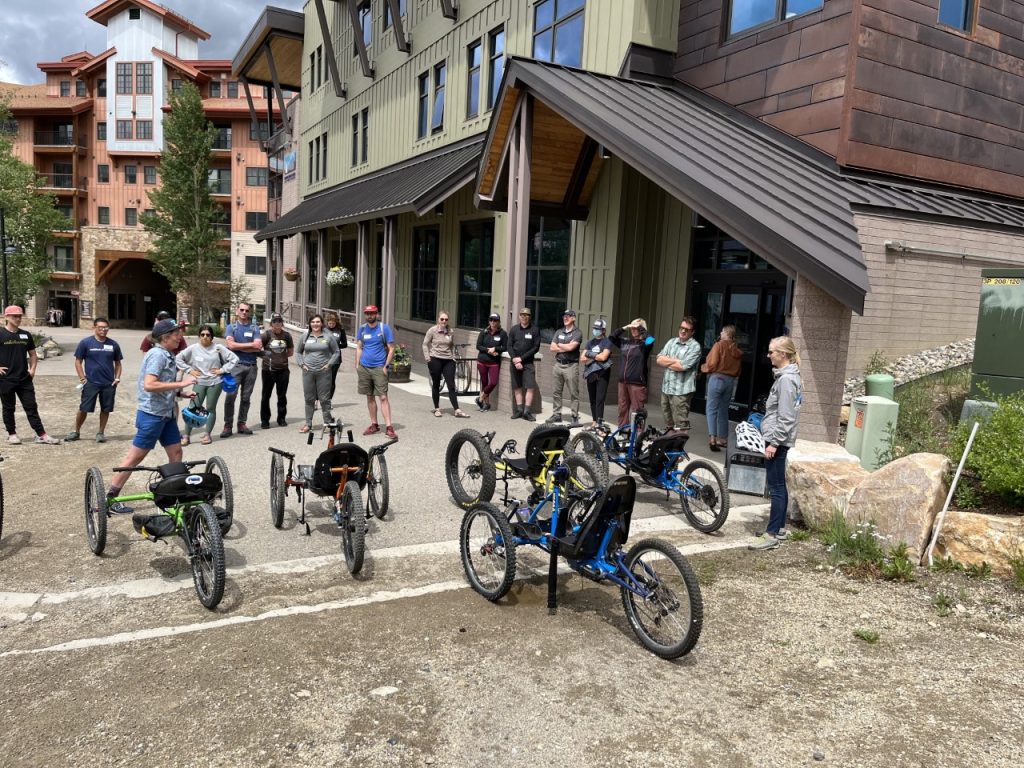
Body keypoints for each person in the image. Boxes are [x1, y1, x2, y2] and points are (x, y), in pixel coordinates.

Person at [106, 319, 197, 513]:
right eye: (176, 334)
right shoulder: (157, 355)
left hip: (166, 414)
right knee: (135, 457)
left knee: (176, 453)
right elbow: (149, 384)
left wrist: (180, 394)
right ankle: (111, 498)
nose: (180, 337)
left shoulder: (167, 354)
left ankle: (175, 494)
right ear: (165, 337)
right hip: (152, 415)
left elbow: (162, 385)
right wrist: (181, 385)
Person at [749, 336, 803, 551]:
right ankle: (778, 528)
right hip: (776, 437)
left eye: (772, 352)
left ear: (784, 354)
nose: (768, 355)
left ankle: (771, 535)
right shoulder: (787, 377)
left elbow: (787, 417)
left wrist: (774, 443)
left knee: (776, 487)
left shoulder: (787, 380)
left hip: (777, 439)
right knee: (779, 484)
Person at [0, 305, 61, 444]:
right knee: (8, 407)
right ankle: (12, 434)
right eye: (15, 316)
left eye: (20, 316)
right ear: (7, 317)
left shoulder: (25, 335)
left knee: (31, 406)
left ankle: (42, 434)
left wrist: (33, 369)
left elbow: (33, 354)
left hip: (24, 378)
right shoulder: (1, 334)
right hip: (6, 379)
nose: (18, 318)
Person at [175, 324, 238, 445]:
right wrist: (189, 370)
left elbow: (234, 359)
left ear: (212, 337)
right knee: (193, 408)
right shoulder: (193, 348)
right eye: (202, 335)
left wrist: (222, 370)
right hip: (199, 382)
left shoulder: (218, 348)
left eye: (208, 335)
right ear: (199, 336)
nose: (205, 337)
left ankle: (207, 434)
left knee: (210, 408)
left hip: (215, 382)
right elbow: (178, 358)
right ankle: (186, 436)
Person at [66, 317, 123, 443]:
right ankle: (76, 431)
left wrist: (117, 378)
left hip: (108, 383)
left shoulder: (113, 344)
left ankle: (100, 433)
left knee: (105, 409)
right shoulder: (85, 343)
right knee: (84, 408)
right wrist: (82, 378)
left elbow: (118, 363)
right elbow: (78, 362)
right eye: (100, 327)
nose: (103, 330)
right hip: (91, 382)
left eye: (106, 328)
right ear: (94, 328)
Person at [355, 305, 397, 439]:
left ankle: (389, 427)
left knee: (383, 397)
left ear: (377, 314)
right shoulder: (362, 328)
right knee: (369, 396)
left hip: (379, 367)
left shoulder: (384, 328)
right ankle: (374, 424)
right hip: (365, 367)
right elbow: (359, 347)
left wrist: (386, 366)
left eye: (372, 313)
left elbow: (391, 348)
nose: (369, 316)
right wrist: (357, 364)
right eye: (367, 313)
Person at [221, 302, 263, 437]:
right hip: (235, 367)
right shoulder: (231, 327)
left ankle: (241, 423)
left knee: (246, 397)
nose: (244, 312)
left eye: (247, 310)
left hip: (251, 367)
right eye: (242, 310)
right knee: (230, 396)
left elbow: (258, 348)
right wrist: (250, 345)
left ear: (249, 312)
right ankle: (228, 425)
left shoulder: (255, 328)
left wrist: (239, 346)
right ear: (237, 311)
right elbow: (231, 346)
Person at [655, 316, 702, 434]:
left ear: (693, 332)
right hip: (666, 389)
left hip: (681, 392)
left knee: (681, 424)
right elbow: (659, 359)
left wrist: (668, 361)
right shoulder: (671, 342)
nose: (683, 331)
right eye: (681, 328)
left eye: (687, 329)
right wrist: (675, 361)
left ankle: (678, 449)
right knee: (669, 423)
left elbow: (683, 366)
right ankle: (670, 446)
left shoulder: (695, 347)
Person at [701, 324, 744, 452]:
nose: (720, 333)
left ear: (727, 334)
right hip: (730, 381)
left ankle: (712, 439)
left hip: (717, 378)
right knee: (723, 410)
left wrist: (704, 368)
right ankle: (723, 439)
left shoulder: (719, 345)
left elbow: (712, 364)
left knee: (711, 409)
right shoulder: (736, 349)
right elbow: (738, 370)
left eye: (722, 331)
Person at [297, 314, 340, 433]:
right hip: (308, 371)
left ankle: (328, 422)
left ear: (321, 323)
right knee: (309, 398)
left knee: (324, 399)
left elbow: (336, 352)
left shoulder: (328, 336)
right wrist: (302, 364)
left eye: (317, 322)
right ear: (310, 324)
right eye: (313, 322)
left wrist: (329, 364)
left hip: (324, 372)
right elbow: (298, 353)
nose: (315, 324)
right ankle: (308, 424)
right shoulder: (305, 336)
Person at [423, 311, 469, 418]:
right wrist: (428, 358)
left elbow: (451, 345)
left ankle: (457, 409)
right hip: (435, 359)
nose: (444, 321)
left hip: (448, 360)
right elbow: (425, 344)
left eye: (446, 319)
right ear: (438, 320)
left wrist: (453, 357)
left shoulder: (450, 331)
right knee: (436, 384)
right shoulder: (432, 330)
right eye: (442, 319)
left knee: (451, 385)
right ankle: (437, 408)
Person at [610, 318, 655, 428]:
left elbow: (650, 340)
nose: (633, 330)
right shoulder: (626, 342)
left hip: (637, 383)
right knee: (622, 409)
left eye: (636, 328)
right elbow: (611, 337)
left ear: (642, 329)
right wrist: (624, 328)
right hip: (623, 382)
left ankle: (637, 436)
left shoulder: (645, 345)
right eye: (632, 328)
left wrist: (641, 329)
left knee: (637, 412)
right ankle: (624, 432)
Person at [546, 309, 582, 424]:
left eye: (568, 316)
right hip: (558, 365)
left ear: (574, 318)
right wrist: (566, 346)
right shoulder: (559, 332)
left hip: (571, 366)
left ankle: (574, 416)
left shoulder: (577, 333)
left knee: (573, 393)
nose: (565, 318)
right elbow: (552, 348)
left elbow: (572, 348)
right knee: (556, 391)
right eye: (564, 316)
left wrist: (560, 345)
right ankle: (557, 414)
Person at [260, 313, 294, 429]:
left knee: (282, 396)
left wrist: (280, 358)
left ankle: (281, 418)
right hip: (268, 370)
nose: (277, 323)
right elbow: (258, 349)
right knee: (266, 396)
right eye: (275, 321)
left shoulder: (287, 336)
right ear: (271, 324)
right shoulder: (266, 335)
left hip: (283, 370)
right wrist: (267, 357)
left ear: (282, 323)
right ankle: (265, 420)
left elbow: (290, 352)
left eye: (279, 321)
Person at [507, 307, 541, 421]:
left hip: (528, 363)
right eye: (522, 315)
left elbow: (535, 348)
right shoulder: (514, 329)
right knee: (517, 387)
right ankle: (519, 410)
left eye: (526, 315)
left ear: (529, 317)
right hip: (515, 362)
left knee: (530, 387)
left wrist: (521, 359)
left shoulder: (535, 330)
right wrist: (515, 359)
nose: (524, 317)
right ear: (519, 316)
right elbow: (509, 346)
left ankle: (527, 411)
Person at [580, 319, 613, 428]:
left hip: (602, 373)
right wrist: (596, 355)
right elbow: (582, 358)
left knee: (600, 399)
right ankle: (594, 421)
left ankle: (599, 422)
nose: (595, 330)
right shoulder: (590, 342)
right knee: (592, 399)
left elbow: (604, 357)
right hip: (591, 373)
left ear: (603, 330)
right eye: (594, 328)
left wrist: (590, 354)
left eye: (598, 329)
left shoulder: (607, 342)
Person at [474, 313, 507, 411]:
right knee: (484, 383)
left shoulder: (502, 333)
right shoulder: (484, 332)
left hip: (494, 363)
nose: (493, 322)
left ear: (499, 322)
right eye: (491, 320)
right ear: (489, 321)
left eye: (495, 320)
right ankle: (485, 404)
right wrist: (489, 350)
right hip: (482, 361)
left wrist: (496, 348)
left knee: (493, 382)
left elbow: (505, 347)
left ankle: (480, 398)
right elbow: (478, 346)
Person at [324, 312, 349, 400]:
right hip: (323, 358)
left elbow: (345, 344)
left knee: (331, 380)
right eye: (330, 323)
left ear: (336, 322)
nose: (331, 325)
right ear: (327, 322)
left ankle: (328, 400)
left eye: (333, 323)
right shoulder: (323, 330)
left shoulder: (340, 330)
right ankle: (316, 400)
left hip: (336, 359)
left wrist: (336, 346)